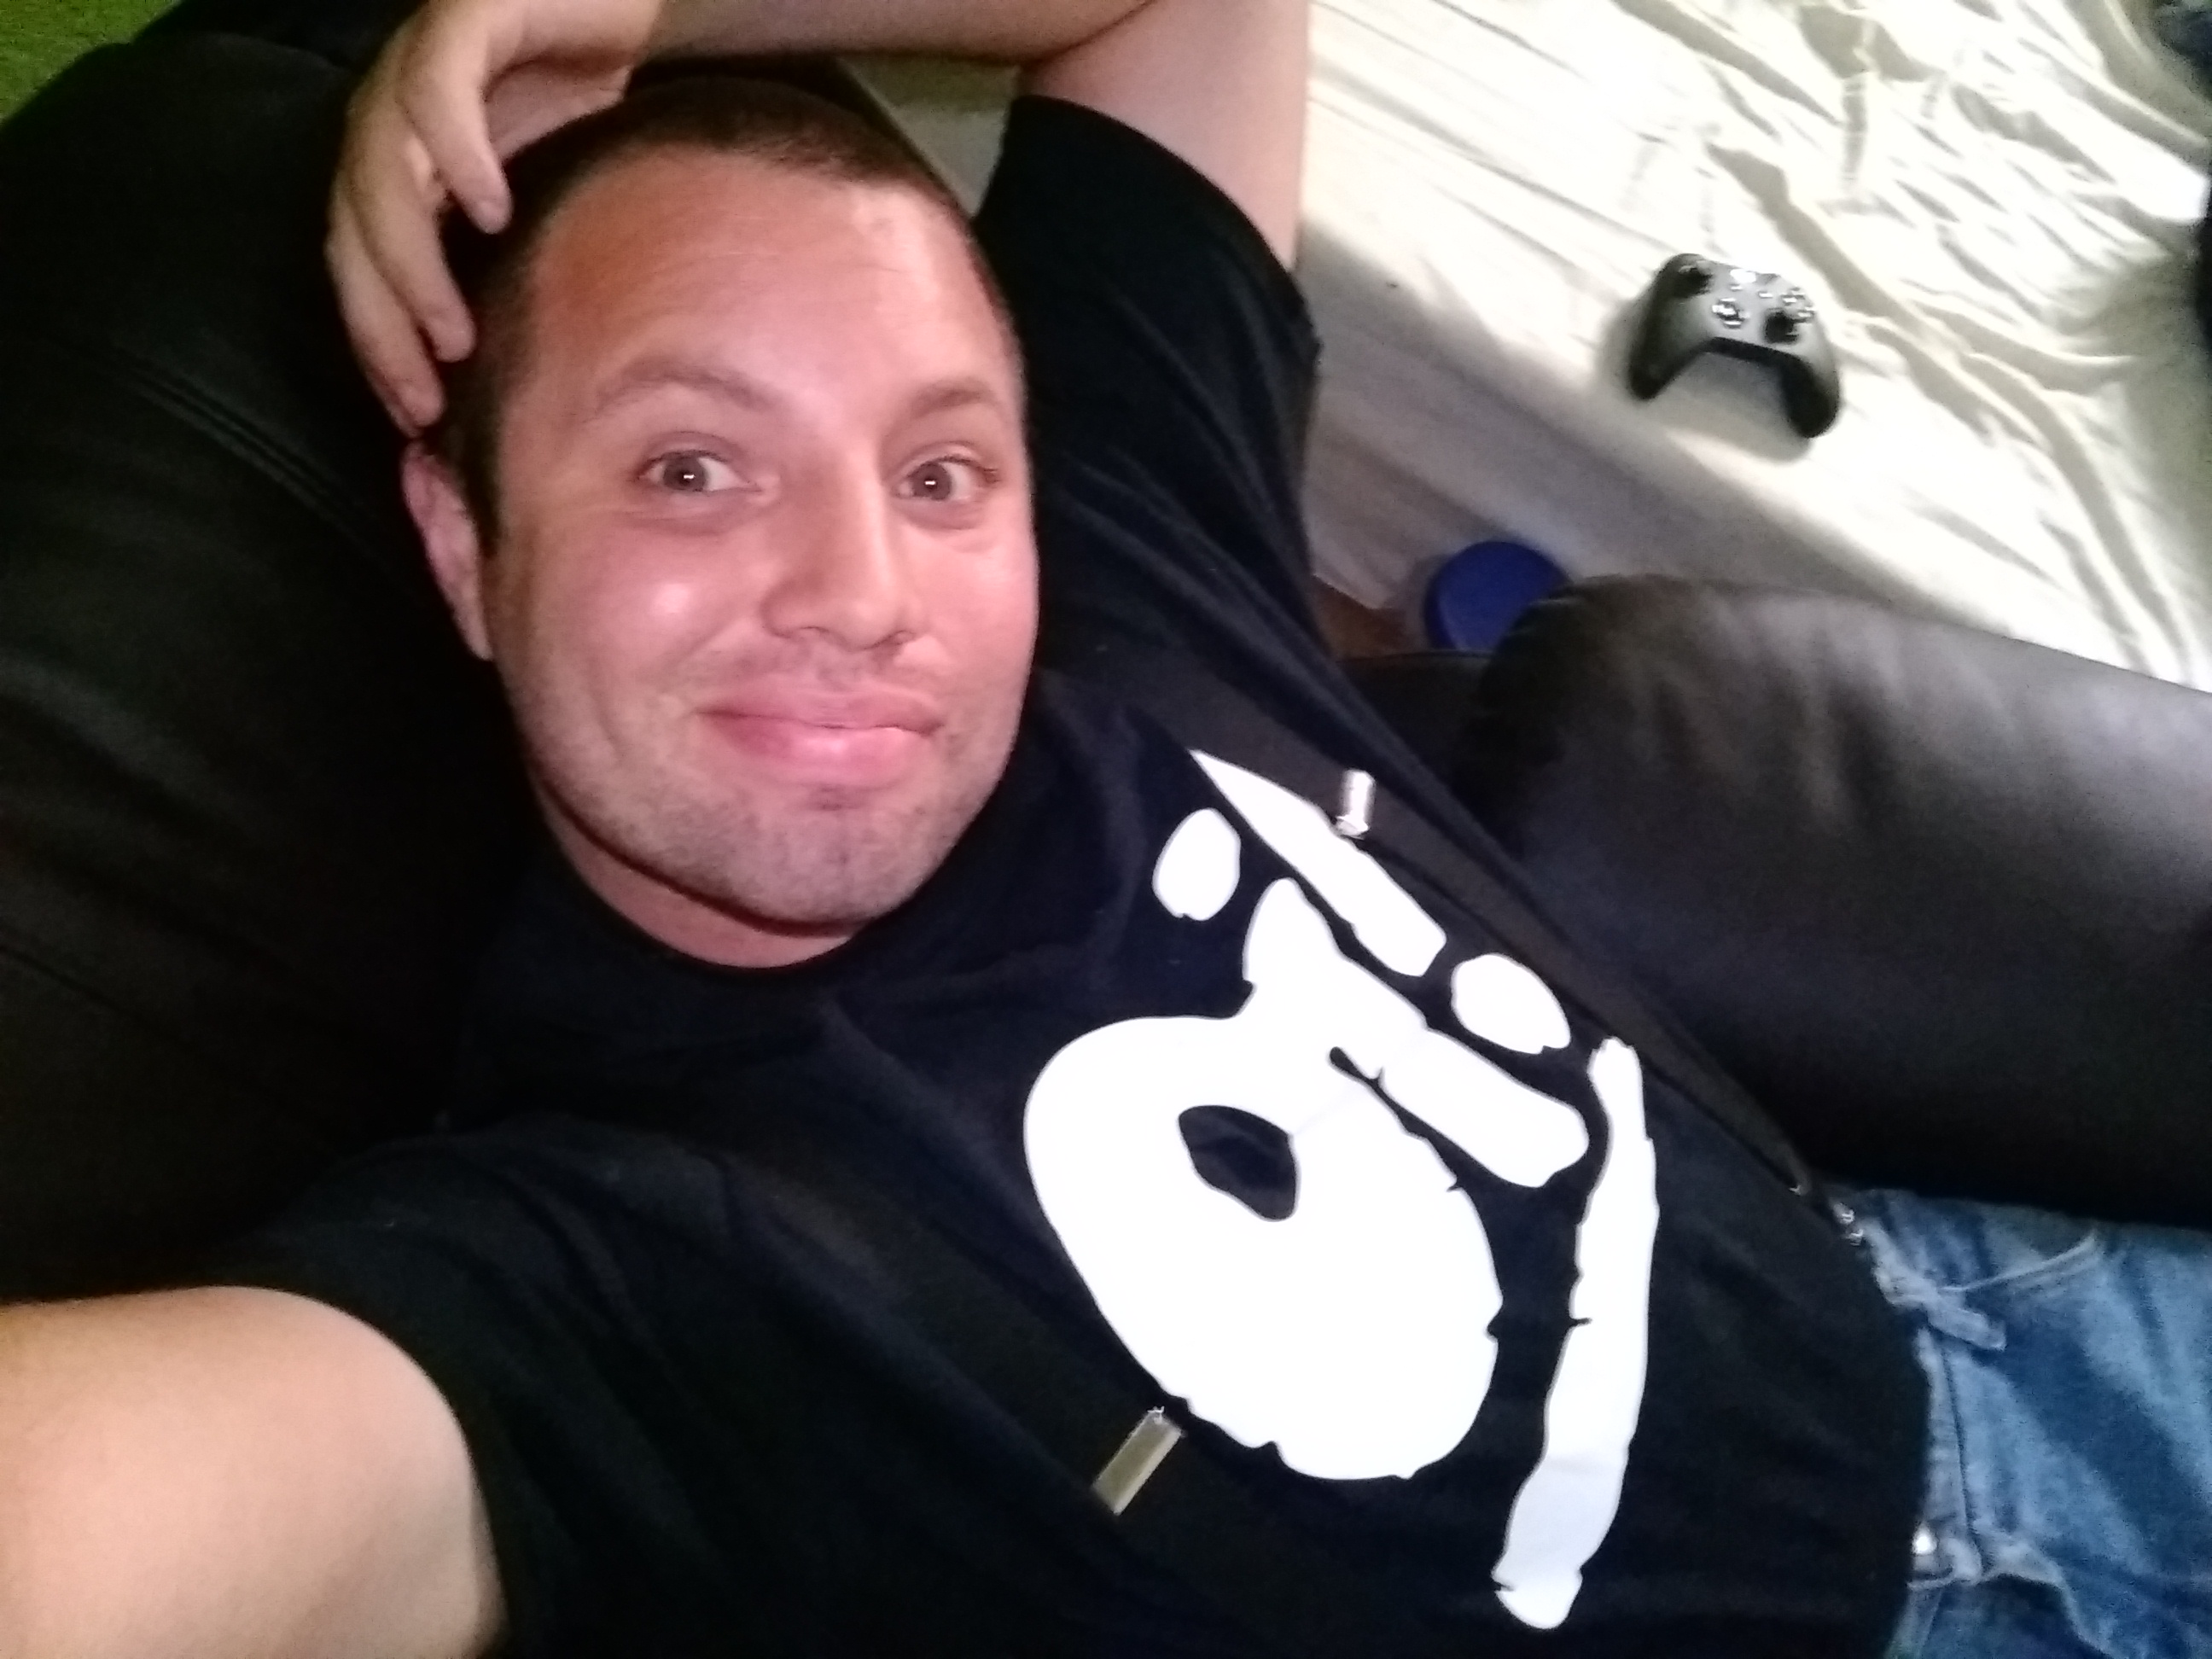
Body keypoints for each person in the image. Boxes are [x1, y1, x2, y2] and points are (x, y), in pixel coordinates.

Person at [0, 0, 2208, 1654]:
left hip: (2021, 1306)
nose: (864, 588)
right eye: (691, 467)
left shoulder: (1122, 546)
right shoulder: (596, 1275)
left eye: (940, 468)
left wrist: (635, 6)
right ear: (465, 541)